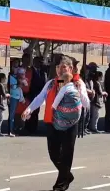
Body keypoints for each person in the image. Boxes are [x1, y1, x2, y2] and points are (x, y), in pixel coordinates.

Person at [21, 56, 90, 191]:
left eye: (63, 67)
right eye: (58, 67)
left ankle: (61, 185)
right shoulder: (51, 83)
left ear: (70, 69)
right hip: (53, 123)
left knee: (67, 153)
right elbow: (40, 98)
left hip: (70, 123)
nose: (60, 70)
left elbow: (86, 103)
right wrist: (29, 109)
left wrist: (80, 90)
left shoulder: (78, 83)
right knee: (53, 154)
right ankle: (67, 175)